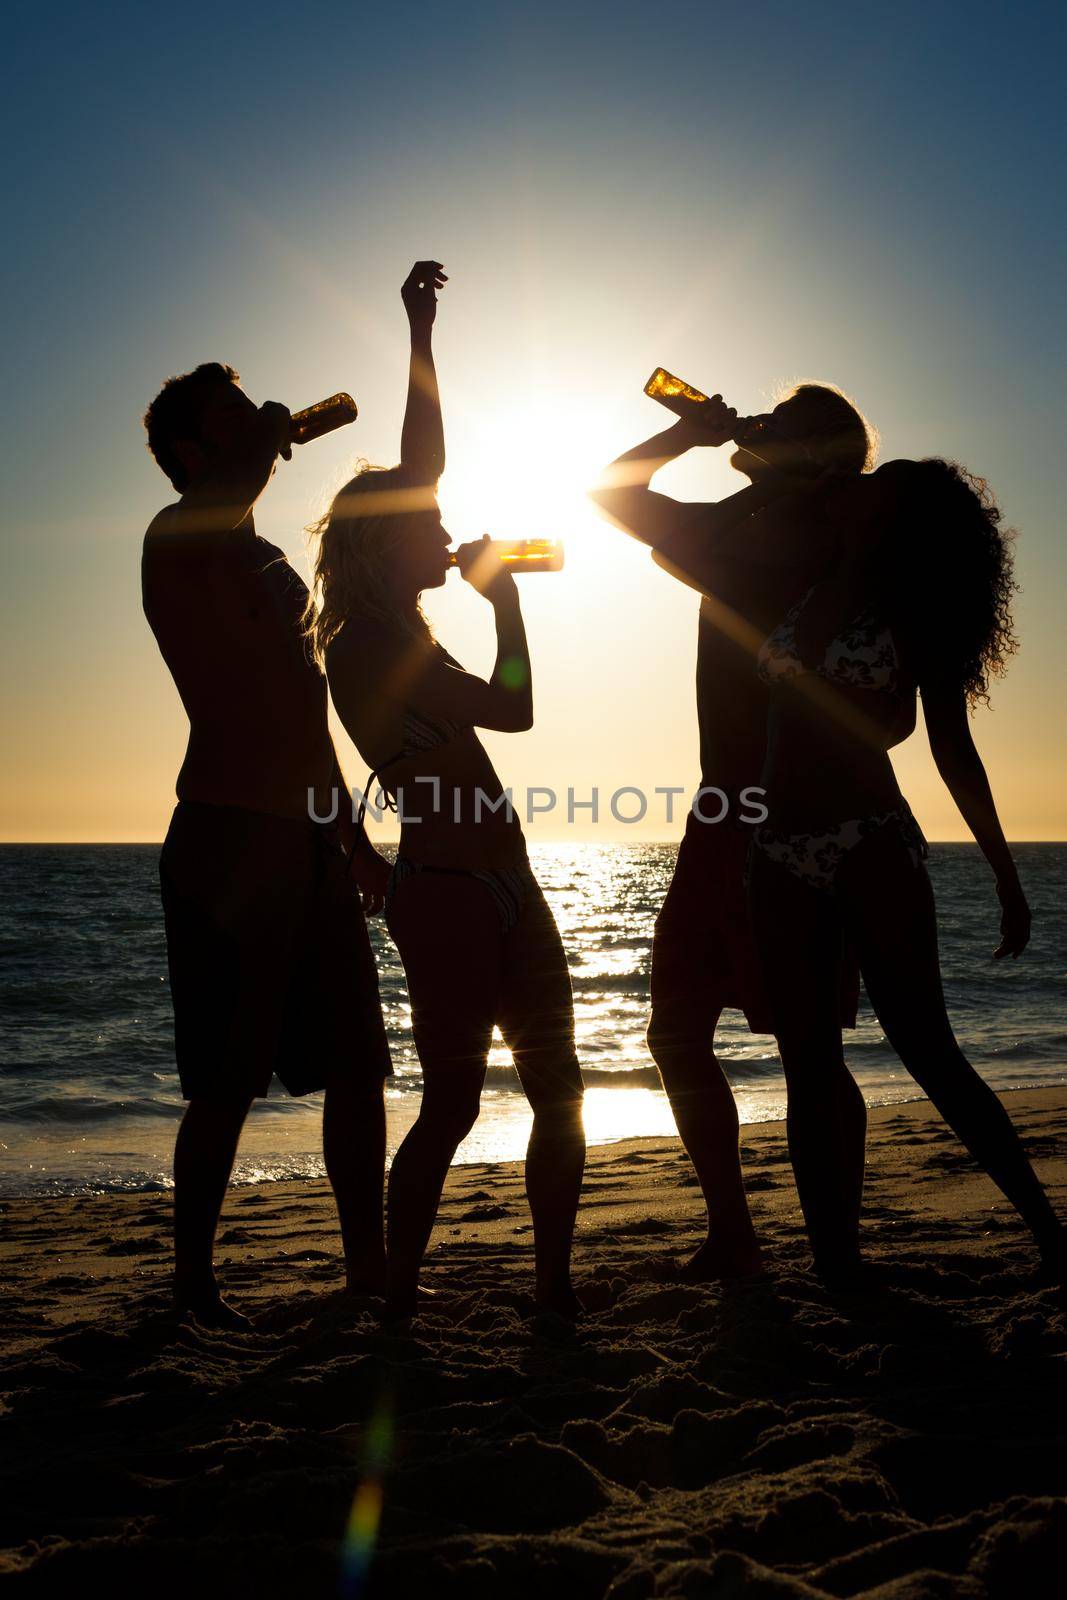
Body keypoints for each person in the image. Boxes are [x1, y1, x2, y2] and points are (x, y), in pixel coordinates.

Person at [611, 394, 1066, 1284]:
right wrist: (731, 461)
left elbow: (950, 745)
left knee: (923, 1044)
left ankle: (1047, 1229)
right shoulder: (780, 562)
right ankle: (836, 1267)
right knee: (807, 1061)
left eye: (876, 485)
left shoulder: (881, 600)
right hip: (771, 841)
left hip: (864, 833)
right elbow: (640, 513)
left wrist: (1005, 873)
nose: (862, 486)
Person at [305, 263, 586, 1324]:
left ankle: (551, 1287)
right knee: (455, 1104)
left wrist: (419, 330)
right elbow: (511, 712)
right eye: (427, 526)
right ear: (383, 542)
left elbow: (422, 462)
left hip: (505, 878)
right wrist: (504, 605)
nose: (447, 530)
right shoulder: (368, 640)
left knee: (557, 1093)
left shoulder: (395, 625)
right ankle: (397, 1293)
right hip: (451, 893)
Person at [591, 384, 878, 1278]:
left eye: (778, 420)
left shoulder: (768, 542)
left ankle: (760, 1238)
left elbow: (613, 494)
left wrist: (694, 433)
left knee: (725, 1037)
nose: (757, 424)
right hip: (760, 808)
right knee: (778, 1045)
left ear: (809, 455)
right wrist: (732, 449)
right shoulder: (804, 536)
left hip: (758, 809)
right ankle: (790, 1242)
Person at [142, 356, 393, 1329]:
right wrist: (270, 436)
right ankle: (194, 1287)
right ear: (196, 448)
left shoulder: (268, 556)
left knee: (357, 1061)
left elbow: (304, 707)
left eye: (254, 407)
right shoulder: (178, 536)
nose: (258, 420)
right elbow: (234, 482)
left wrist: (354, 836)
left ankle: (368, 1268)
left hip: (308, 839)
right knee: (228, 1075)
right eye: (232, 414)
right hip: (224, 836)